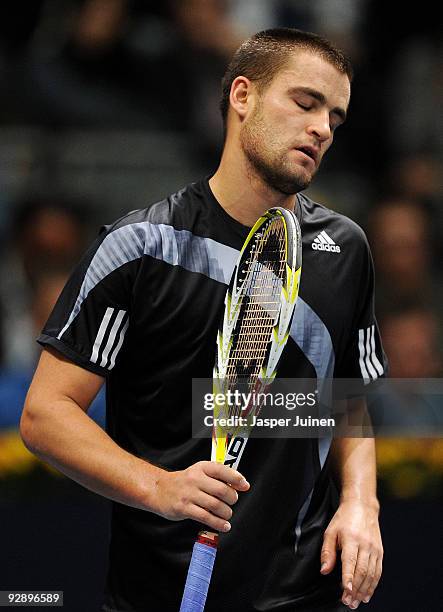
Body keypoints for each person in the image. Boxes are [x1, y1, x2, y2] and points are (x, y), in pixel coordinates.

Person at [21, 29, 385, 611]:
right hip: (159, 591)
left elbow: (345, 400)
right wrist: (159, 487)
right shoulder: (140, 247)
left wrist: (360, 503)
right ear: (242, 96)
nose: (323, 129)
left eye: (336, 118)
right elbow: (45, 415)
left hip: (305, 590)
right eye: (306, 102)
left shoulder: (346, 248)